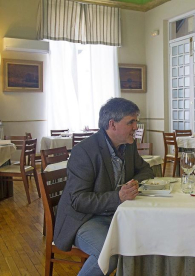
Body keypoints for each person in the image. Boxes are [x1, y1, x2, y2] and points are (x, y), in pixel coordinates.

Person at [53, 98, 155, 275]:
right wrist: (119, 197)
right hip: (83, 219)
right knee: (110, 254)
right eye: (131, 122)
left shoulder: (128, 146)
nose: (135, 127)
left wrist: (133, 184)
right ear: (112, 124)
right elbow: (78, 201)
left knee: (152, 239)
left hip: (116, 214)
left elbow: (146, 170)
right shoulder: (84, 151)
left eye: (136, 122)